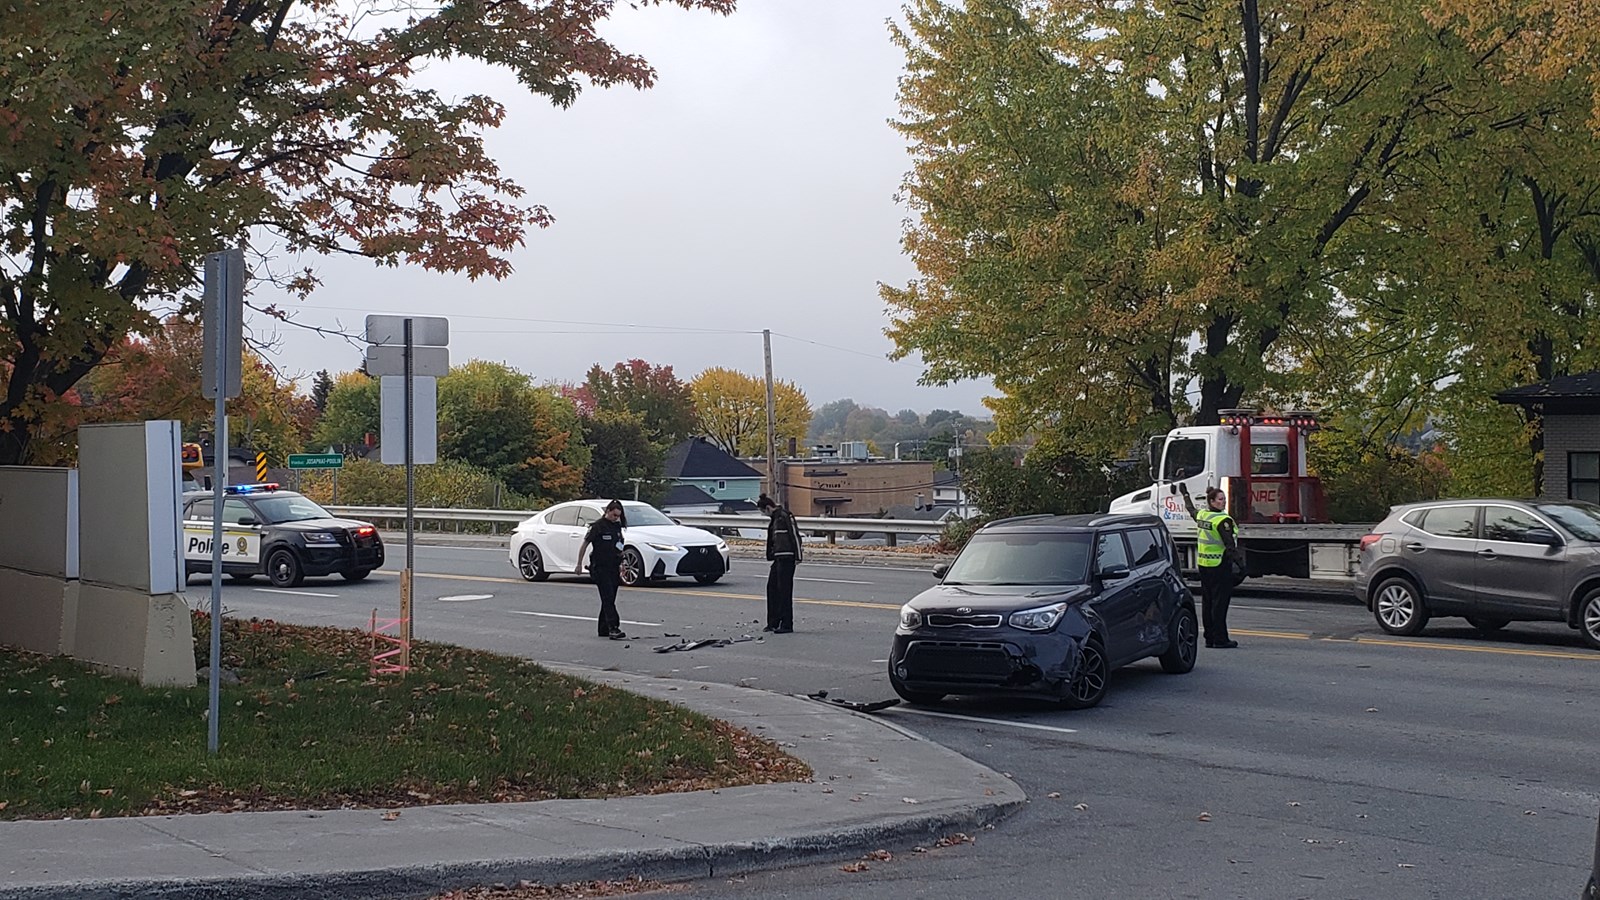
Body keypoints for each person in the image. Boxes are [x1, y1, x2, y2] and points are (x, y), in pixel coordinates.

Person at [1180, 483, 1241, 648]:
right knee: (1220, 604)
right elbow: (1230, 546)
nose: (1224, 502)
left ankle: (1209, 638)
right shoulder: (1222, 520)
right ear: (1212, 501)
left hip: (1204, 565)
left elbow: (1191, 510)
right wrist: (1241, 566)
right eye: (1220, 499)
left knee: (1208, 602)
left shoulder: (1203, 515)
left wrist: (1185, 494)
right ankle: (1220, 639)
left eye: (1224, 499)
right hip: (1220, 565)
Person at [576, 499, 628, 640]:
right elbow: (585, 544)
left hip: (613, 567)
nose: (616, 518)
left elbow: (619, 546)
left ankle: (603, 628)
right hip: (600, 568)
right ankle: (614, 628)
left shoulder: (616, 527)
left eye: (618, 516)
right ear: (608, 511)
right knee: (607, 598)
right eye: (614, 515)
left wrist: (623, 563)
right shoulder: (598, 527)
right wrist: (579, 563)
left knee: (610, 598)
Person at [757, 493, 802, 634]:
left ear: (768, 508)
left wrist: (798, 556)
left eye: (763, 511)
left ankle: (786, 624)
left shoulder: (784, 516)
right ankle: (773, 622)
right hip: (778, 558)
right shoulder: (774, 519)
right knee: (772, 588)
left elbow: (795, 535)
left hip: (787, 558)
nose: (764, 514)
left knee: (784, 592)